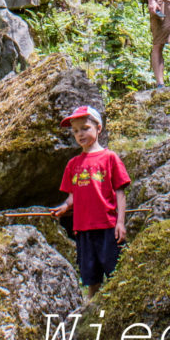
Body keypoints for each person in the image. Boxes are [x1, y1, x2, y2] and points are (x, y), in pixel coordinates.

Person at [51, 105, 130, 296]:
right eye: (76, 131)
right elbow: (73, 195)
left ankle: (116, 305)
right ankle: (91, 307)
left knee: (116, 274)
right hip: (83, 229)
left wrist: (120, 222)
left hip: (107, 226)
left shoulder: (110, 158)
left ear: (98, 128)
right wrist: (64, 206)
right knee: (90, 277)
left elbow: (120, 192)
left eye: (85, 128)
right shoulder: (73, 164)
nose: (80, 134)